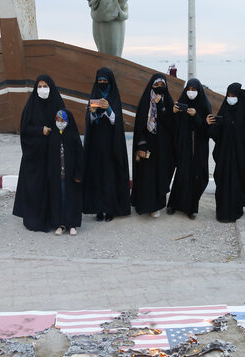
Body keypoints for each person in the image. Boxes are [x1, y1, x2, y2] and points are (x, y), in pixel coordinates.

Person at [13, 74, 65, 232]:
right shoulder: (31, 106)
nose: (43, 90)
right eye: (40, 87)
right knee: (35, 187)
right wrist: (40, 130)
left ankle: (55, 219)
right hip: (34, 156)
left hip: (53, 155)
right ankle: (34, 219)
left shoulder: (58, 104)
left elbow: (65, 125)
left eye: (46, 86)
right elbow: (25, 129)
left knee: (53, 187)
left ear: (51, 87)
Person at [83, 67, 131, 222]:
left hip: (111, 145)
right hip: (96, 145)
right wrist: (92, 111)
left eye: (105, 81)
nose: (102, 84)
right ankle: (98, 209)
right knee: (97, 176)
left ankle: (110, 209)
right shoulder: (94, 95)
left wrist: (108, 108)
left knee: (110, 177)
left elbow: (116, 122)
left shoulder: (114, 97)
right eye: (100, 81)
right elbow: (89, 122)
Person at [207, 82, 245, 222]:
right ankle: (222, 211)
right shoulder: (224, 110)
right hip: (224, 156)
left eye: (234, 95)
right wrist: (211, 124)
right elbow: (216, 135)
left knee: (239, 182)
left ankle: (237, 209)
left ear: (240, 96)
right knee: (223, 183)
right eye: (228, 95)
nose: (231, 98)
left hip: (240, 156)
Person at [131, 74, 175, 218]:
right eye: (156, 86)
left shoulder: (168, 101)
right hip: (147, 144)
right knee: (146, 175)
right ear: (151, 85)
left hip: (162, 147)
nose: (159, 88)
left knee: (159, 175)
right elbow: (139, 126)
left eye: (162, 86)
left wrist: (160, 105)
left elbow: (171, 124)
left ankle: (156, 206)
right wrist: (141, 146)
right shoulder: (145, 102)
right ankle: (143, 205)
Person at [167, 78, 212, 219]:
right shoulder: (182, 102)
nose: (191, 92)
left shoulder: (205, 104)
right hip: (183, 146)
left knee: (195, 177)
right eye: (189, 89)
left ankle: (192, 208)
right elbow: (173, 127)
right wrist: (173, 113)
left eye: (194, 90)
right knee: (181, 174)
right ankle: (173, 204)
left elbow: (207, 129)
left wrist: (196, 116)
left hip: (198, 148)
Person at [49, 110, 84, 236]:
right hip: (57, 176)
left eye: (62, 121)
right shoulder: (53, 136)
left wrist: (79, 174)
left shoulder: (73, 136)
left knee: (72, 199)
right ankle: (60, 224)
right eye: (57, 121)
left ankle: (72, 224)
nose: (60, 123)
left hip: (72, 176)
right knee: (60, 199)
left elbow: (80, 156)